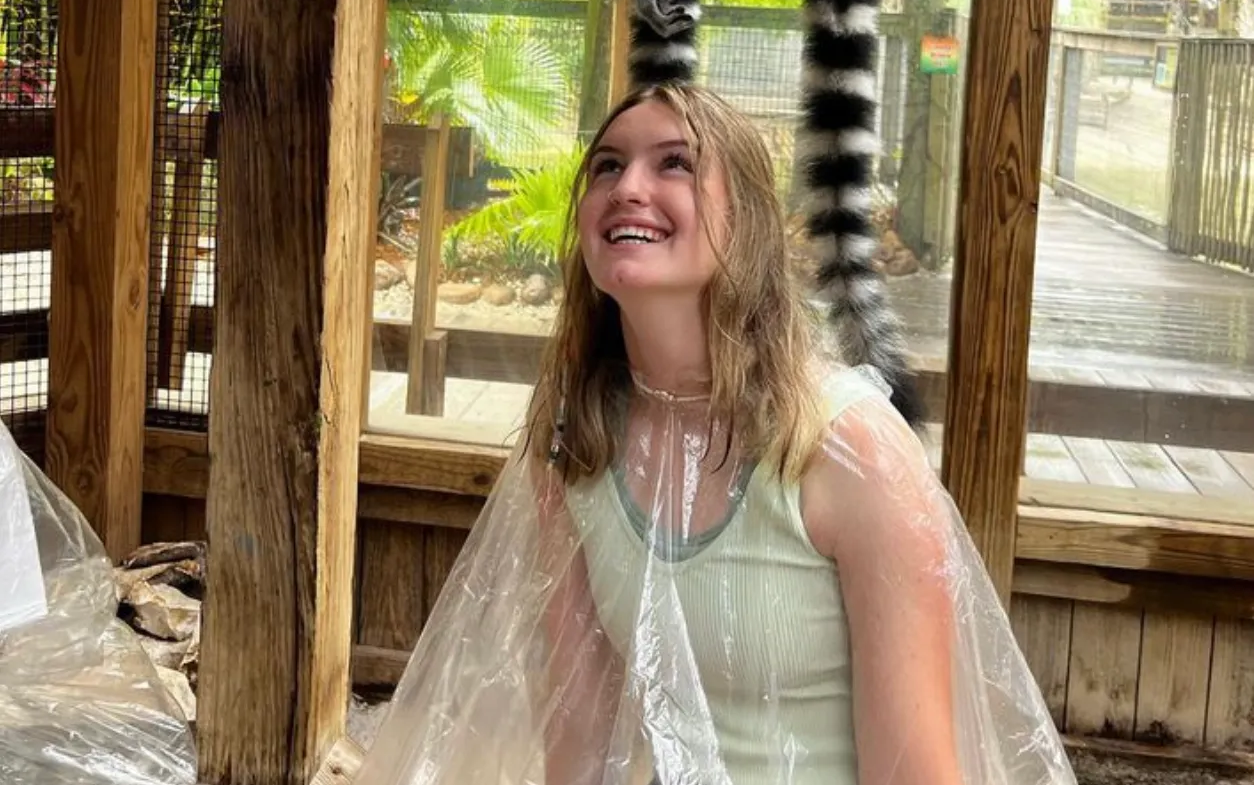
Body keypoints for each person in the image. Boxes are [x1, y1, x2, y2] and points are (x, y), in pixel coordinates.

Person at [358, 84, 1075, 785]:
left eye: (674, 163)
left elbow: (917, 772)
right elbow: (578, 731)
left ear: (748, 221)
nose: (628, 185)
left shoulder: (850, 449)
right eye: (607, 164)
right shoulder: (577, 445)